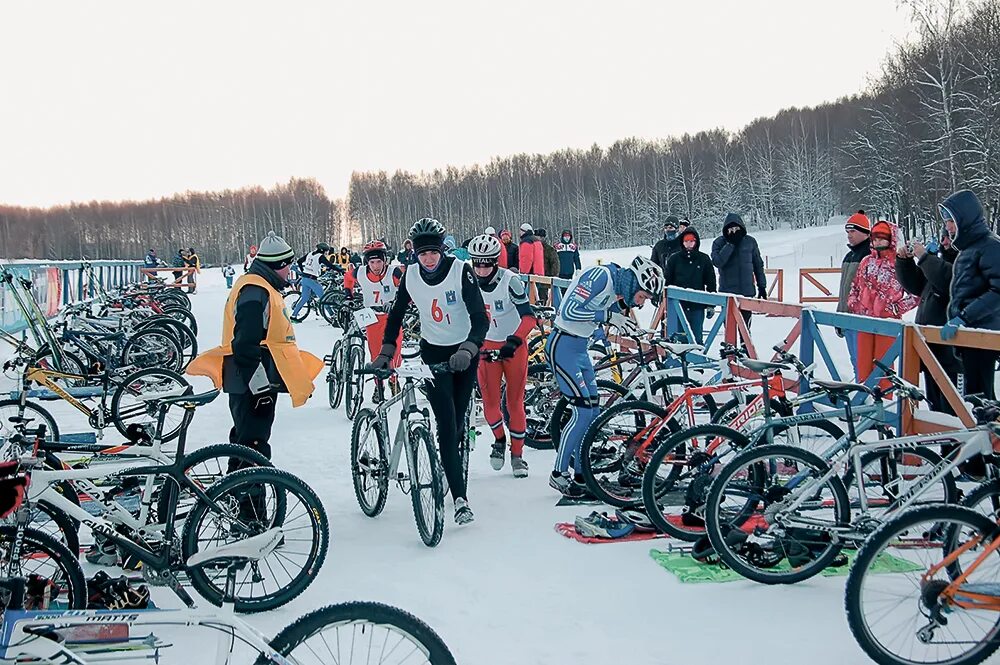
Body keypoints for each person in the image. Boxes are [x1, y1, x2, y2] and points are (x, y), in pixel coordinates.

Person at [374, 218, 488, 525]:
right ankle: (460, 499)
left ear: (441, 251)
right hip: (434, 352)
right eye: (423, 253)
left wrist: (469, 348)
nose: (429, 258)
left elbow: (480, 318)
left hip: (464, 351)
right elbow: (396, 315)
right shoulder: (410, 275)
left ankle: (454, 461)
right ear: (415, 253)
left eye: (434, 252)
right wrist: (386, 351)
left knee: (460, 420)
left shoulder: (460, 271)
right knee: (446, 424)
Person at [188, 231, 324, 471]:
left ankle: (236, 495)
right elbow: (245, 343)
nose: (289, 271)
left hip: (251, 378)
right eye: (288, 266)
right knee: (252, 448)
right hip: (251, 381)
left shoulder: (260, 286)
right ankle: (250, 505)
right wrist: (258, 384)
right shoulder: (255, 291)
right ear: (277, 265)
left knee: (245, 442)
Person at [546, 255, 664, 497]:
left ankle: (581, 474)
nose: (639, 304)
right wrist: (609, 317)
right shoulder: (601, 276)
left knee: (592, 413)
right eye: (641, 297)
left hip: (579, 348)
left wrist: (612, 325)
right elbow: (569, 311)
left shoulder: (618, 288)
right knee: (580, 412)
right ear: (635, 283)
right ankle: (558, 474)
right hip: (563, 346)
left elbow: (594, 314)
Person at [467, 235, 536, 478]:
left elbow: (529, 318)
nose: (482, 269)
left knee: (514, 403)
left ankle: (517, 454)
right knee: (490, 404)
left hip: (513, 346)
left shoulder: (511, 281)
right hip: (486, 345)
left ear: (496, 263)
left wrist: (515, 340)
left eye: (487, 264)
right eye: (478, 264)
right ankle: (499, 439)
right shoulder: (469, 281)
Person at [940, 189, 1000, 400]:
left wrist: (965, 316)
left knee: (981, 397)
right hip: (969, 335)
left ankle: (989, 432)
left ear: (965, 219)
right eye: (946, 220)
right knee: (974, 396)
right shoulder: (968, 248)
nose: (947, 226)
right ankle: (981, 430)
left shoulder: (990, 246)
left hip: (983, 334)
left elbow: (998, 291)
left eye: (951, 220)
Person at [896, 230, 960, 414]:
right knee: (937, 409)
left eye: (950, 237)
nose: (945, 241)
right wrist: (904, 262)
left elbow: (948, 280)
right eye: (943, 237)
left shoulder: (964, 263)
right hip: (932, 348)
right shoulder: (940, 262)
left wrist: (925, 257)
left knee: (955, 409)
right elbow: (916, 285)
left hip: (954, 353)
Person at [847, 220, 918, 384]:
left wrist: (896, 308)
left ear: (890, 238)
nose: (877, 241)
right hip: (864, 321)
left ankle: (884, 404)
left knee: (883, 368)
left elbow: (916, 293)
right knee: (862, 366)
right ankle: (863, 402)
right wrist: (855, 304)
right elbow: (854, 286)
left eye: (882, 238)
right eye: (875, 237)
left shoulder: (899, 263)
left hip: (887, 323)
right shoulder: (866, 262)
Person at [344, 240, 404, 401]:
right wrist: (348, 295)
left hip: (392, 318)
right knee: (376, 353)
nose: (376, 266)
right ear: (367, 262)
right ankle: (379, 387)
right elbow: (348, 277)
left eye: (379, 261)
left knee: (394, 351)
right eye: (372, 262)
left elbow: (407, 287)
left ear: (385, 260)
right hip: (372, 318)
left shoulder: (394, 272)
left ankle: (394, 380)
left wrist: (398, 301)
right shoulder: (361, 272)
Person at [710, 212, 767, 329]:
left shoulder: (750, 242)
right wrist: (730, 244)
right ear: (726, 229)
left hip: (746, 292)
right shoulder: (719, 242)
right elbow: (718, 262)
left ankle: (745, 346)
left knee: (745, 328)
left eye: (736, 228)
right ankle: (729, 347)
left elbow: (758, 265)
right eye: (730, 229)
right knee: (729, 328)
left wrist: (762, 286)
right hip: (727, 291)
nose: (734, 231)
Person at [664, 226, 716, 344]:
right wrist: (665, 305)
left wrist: (711, 304)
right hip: (678, 306)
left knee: (697, 338)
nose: (689, 244)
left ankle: (697, 361)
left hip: (697, 306)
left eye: (691, 241)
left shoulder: (704, 259)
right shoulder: (674, 259)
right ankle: (679, 362)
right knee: (680, 338)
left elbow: (711, 281)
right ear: (682, 242)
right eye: (686, 241)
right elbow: (667, 283)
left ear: (696, 242)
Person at [836, 211, 872, 374]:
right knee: (855, 360)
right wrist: (840, 314)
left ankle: (868, 394)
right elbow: (844, 289)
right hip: (847, 316)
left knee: (864, 361)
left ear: (865, 233)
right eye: (847, 232)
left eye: (853, 231)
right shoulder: (849, 256)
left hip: (862, 318)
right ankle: (861, 392)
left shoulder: (870, 255)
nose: (849, 236)